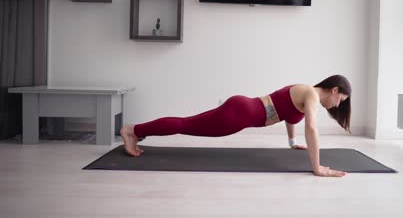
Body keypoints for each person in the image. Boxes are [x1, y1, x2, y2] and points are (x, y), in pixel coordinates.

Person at [120, 75, 351, 178]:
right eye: (340, 100)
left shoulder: (306, 92)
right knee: (185, 124)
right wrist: (317, 167)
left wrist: (292, 143)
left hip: (241, 109)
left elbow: (291, 117)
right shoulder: (310, 93)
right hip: (240, 114)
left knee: (186, 123)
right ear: (334, 90)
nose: (336, 105)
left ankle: (137, 131)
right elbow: (312, 128)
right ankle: (133, 130)